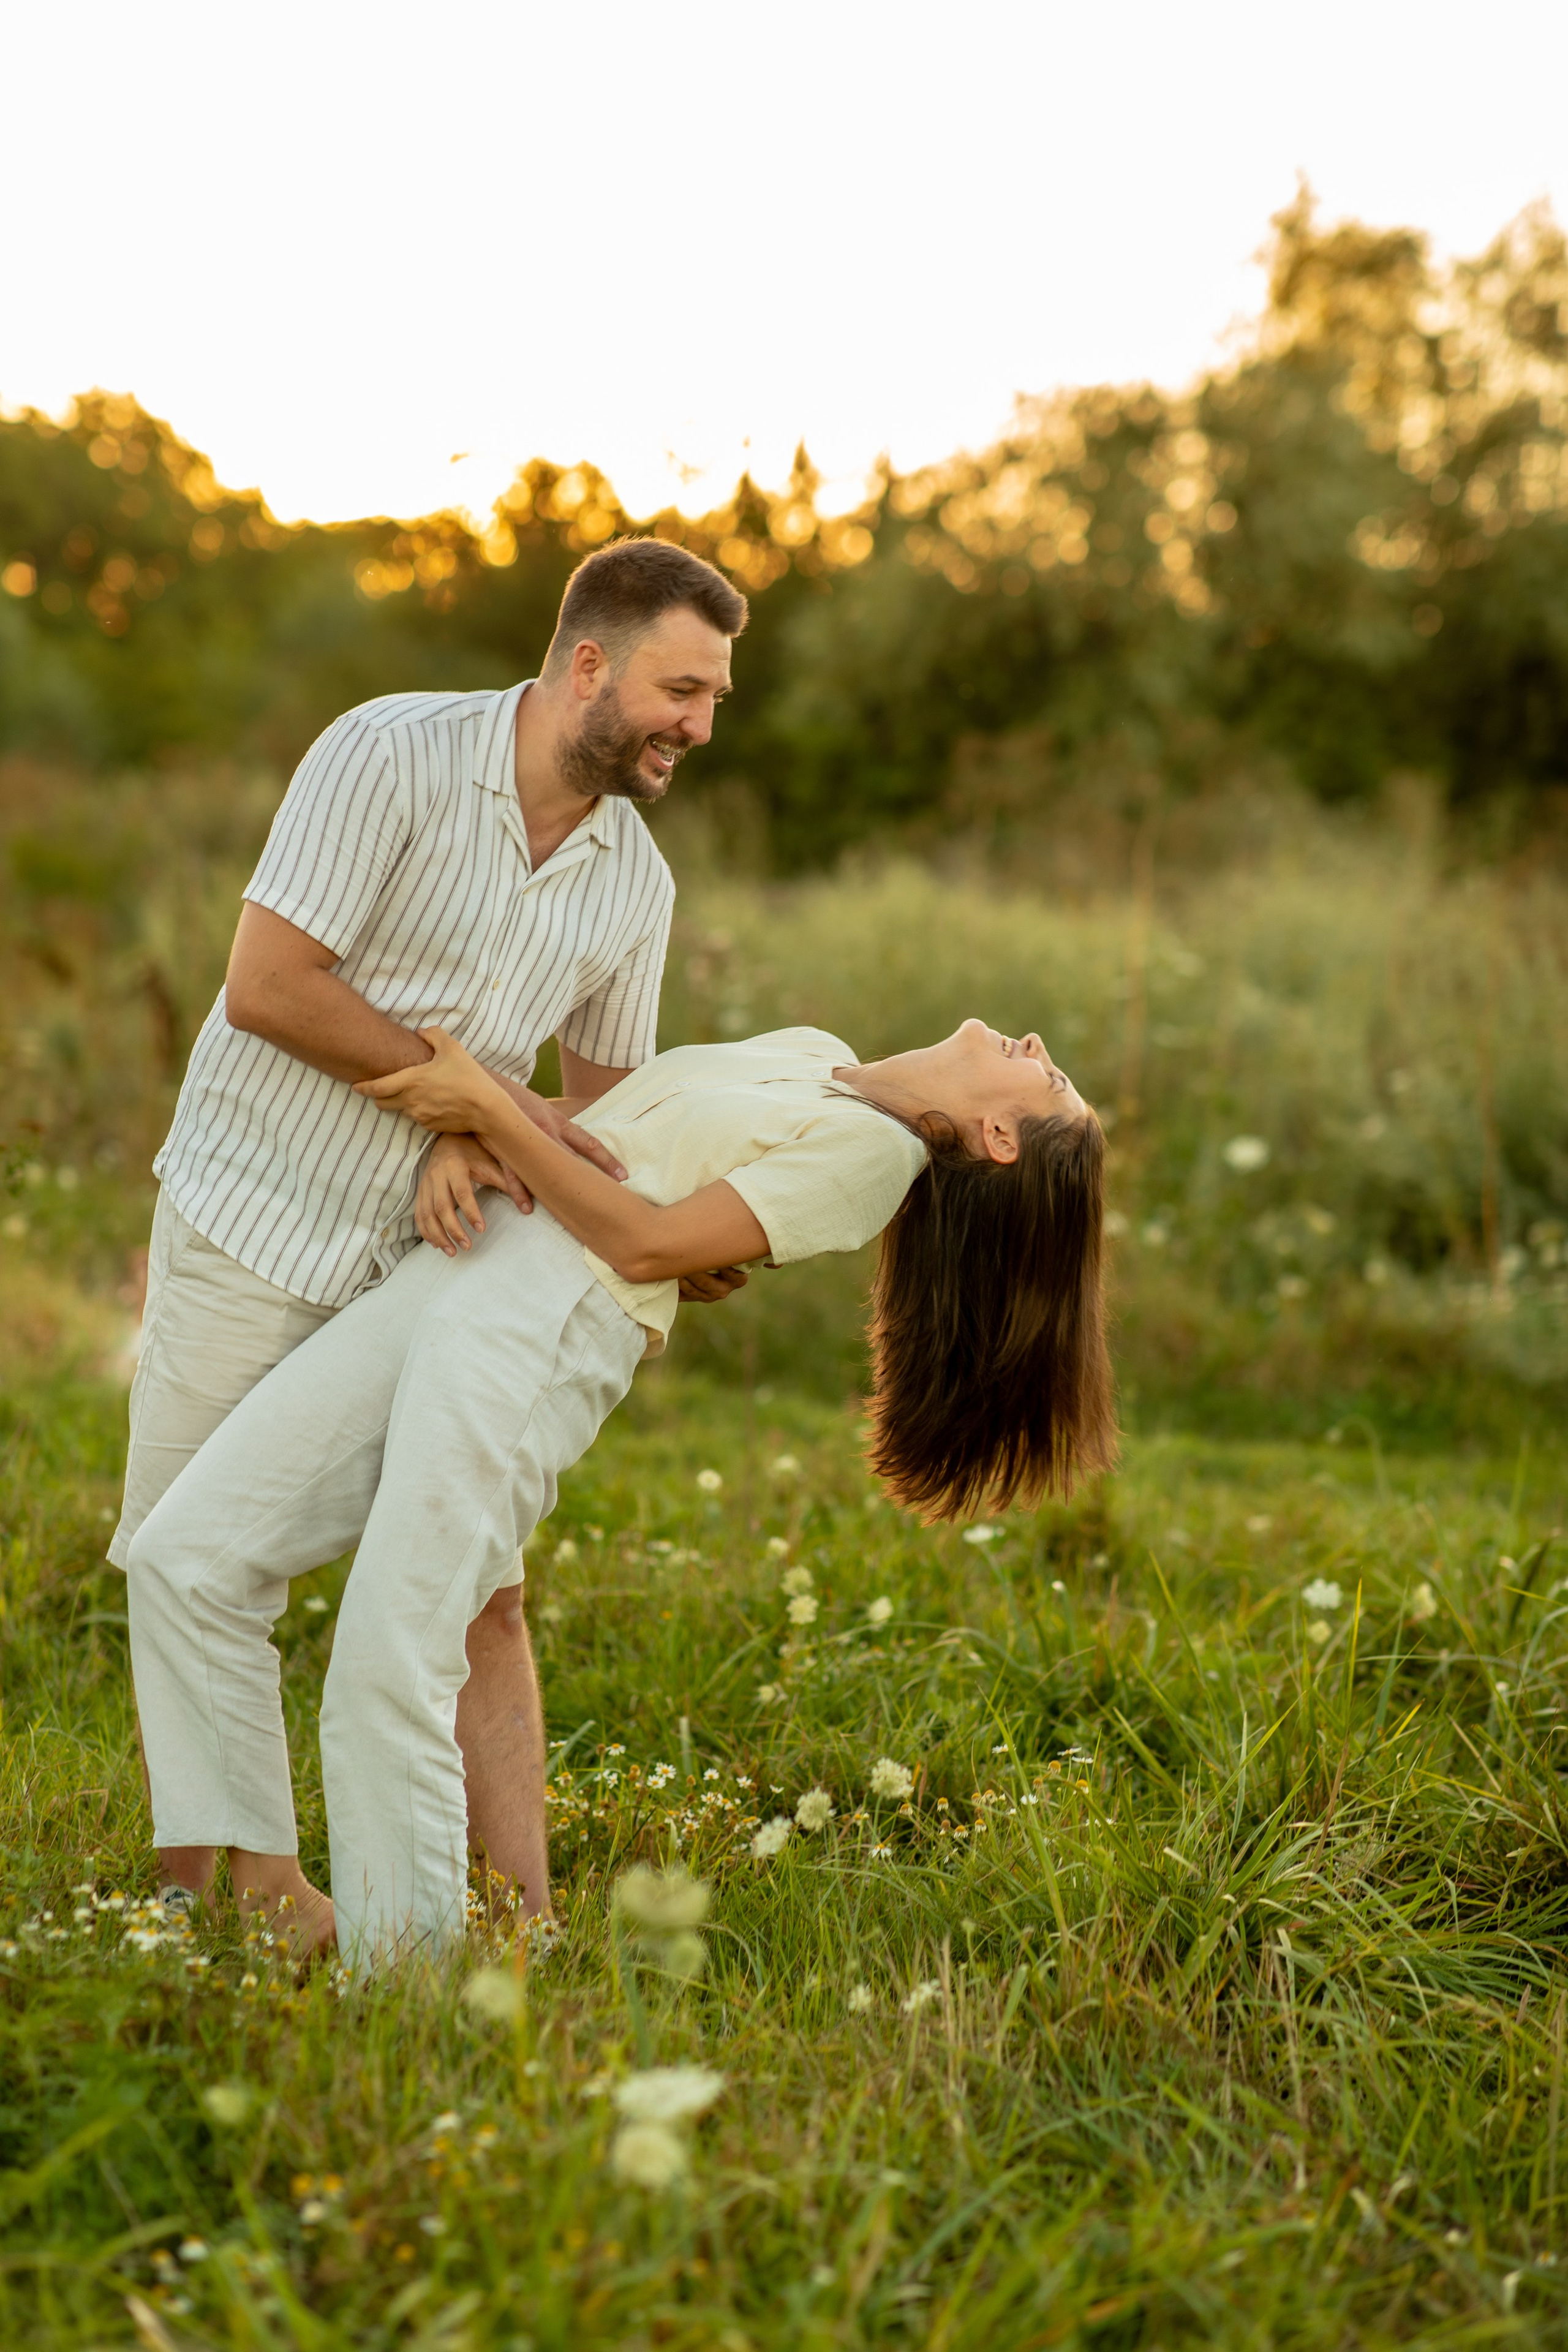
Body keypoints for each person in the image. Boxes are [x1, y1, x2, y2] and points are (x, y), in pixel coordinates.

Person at [125, 1017, 1115, 1963]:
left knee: (394, 1654)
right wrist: (468, 1141)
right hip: (460, 1261)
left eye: (1053, 1080)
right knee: (189, 1555)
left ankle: (409, 1993)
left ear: (999, 1138)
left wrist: (488, 1109)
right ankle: (268, 1905)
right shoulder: (816, 1057)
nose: (1037, 1048)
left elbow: (643, 1245)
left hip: (544, 1326)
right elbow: (604, 1138)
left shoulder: (872, 1158)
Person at [108, 536, 750, 1929]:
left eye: (712, 699)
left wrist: (663, 1216)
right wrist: (477, 1101)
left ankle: (516, 1917)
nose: (698, 726)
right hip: (253, 1219)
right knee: (191, 1566)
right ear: (589, 663)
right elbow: (270, 986)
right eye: (682, 689)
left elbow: (602, 1123)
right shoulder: (386, 756)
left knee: (477, 1597)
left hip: (430, 1268)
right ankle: (239, 1905)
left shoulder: (631, 883)